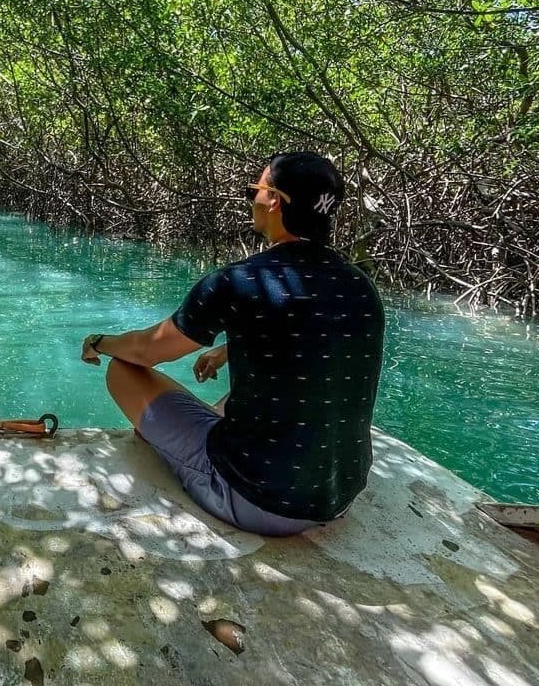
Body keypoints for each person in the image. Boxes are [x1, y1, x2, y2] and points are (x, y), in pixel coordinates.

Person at [81, 151, 385, 537]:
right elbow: (310, 338)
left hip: (257, 499)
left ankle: (176, 444)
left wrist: (100, 341)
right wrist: (229, 349)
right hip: (339, 494)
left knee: (123, 370)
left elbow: (146, 350)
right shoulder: (361, 286)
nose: (252, 198)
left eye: (254, 190)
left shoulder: (240, 282)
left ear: (274, 200)